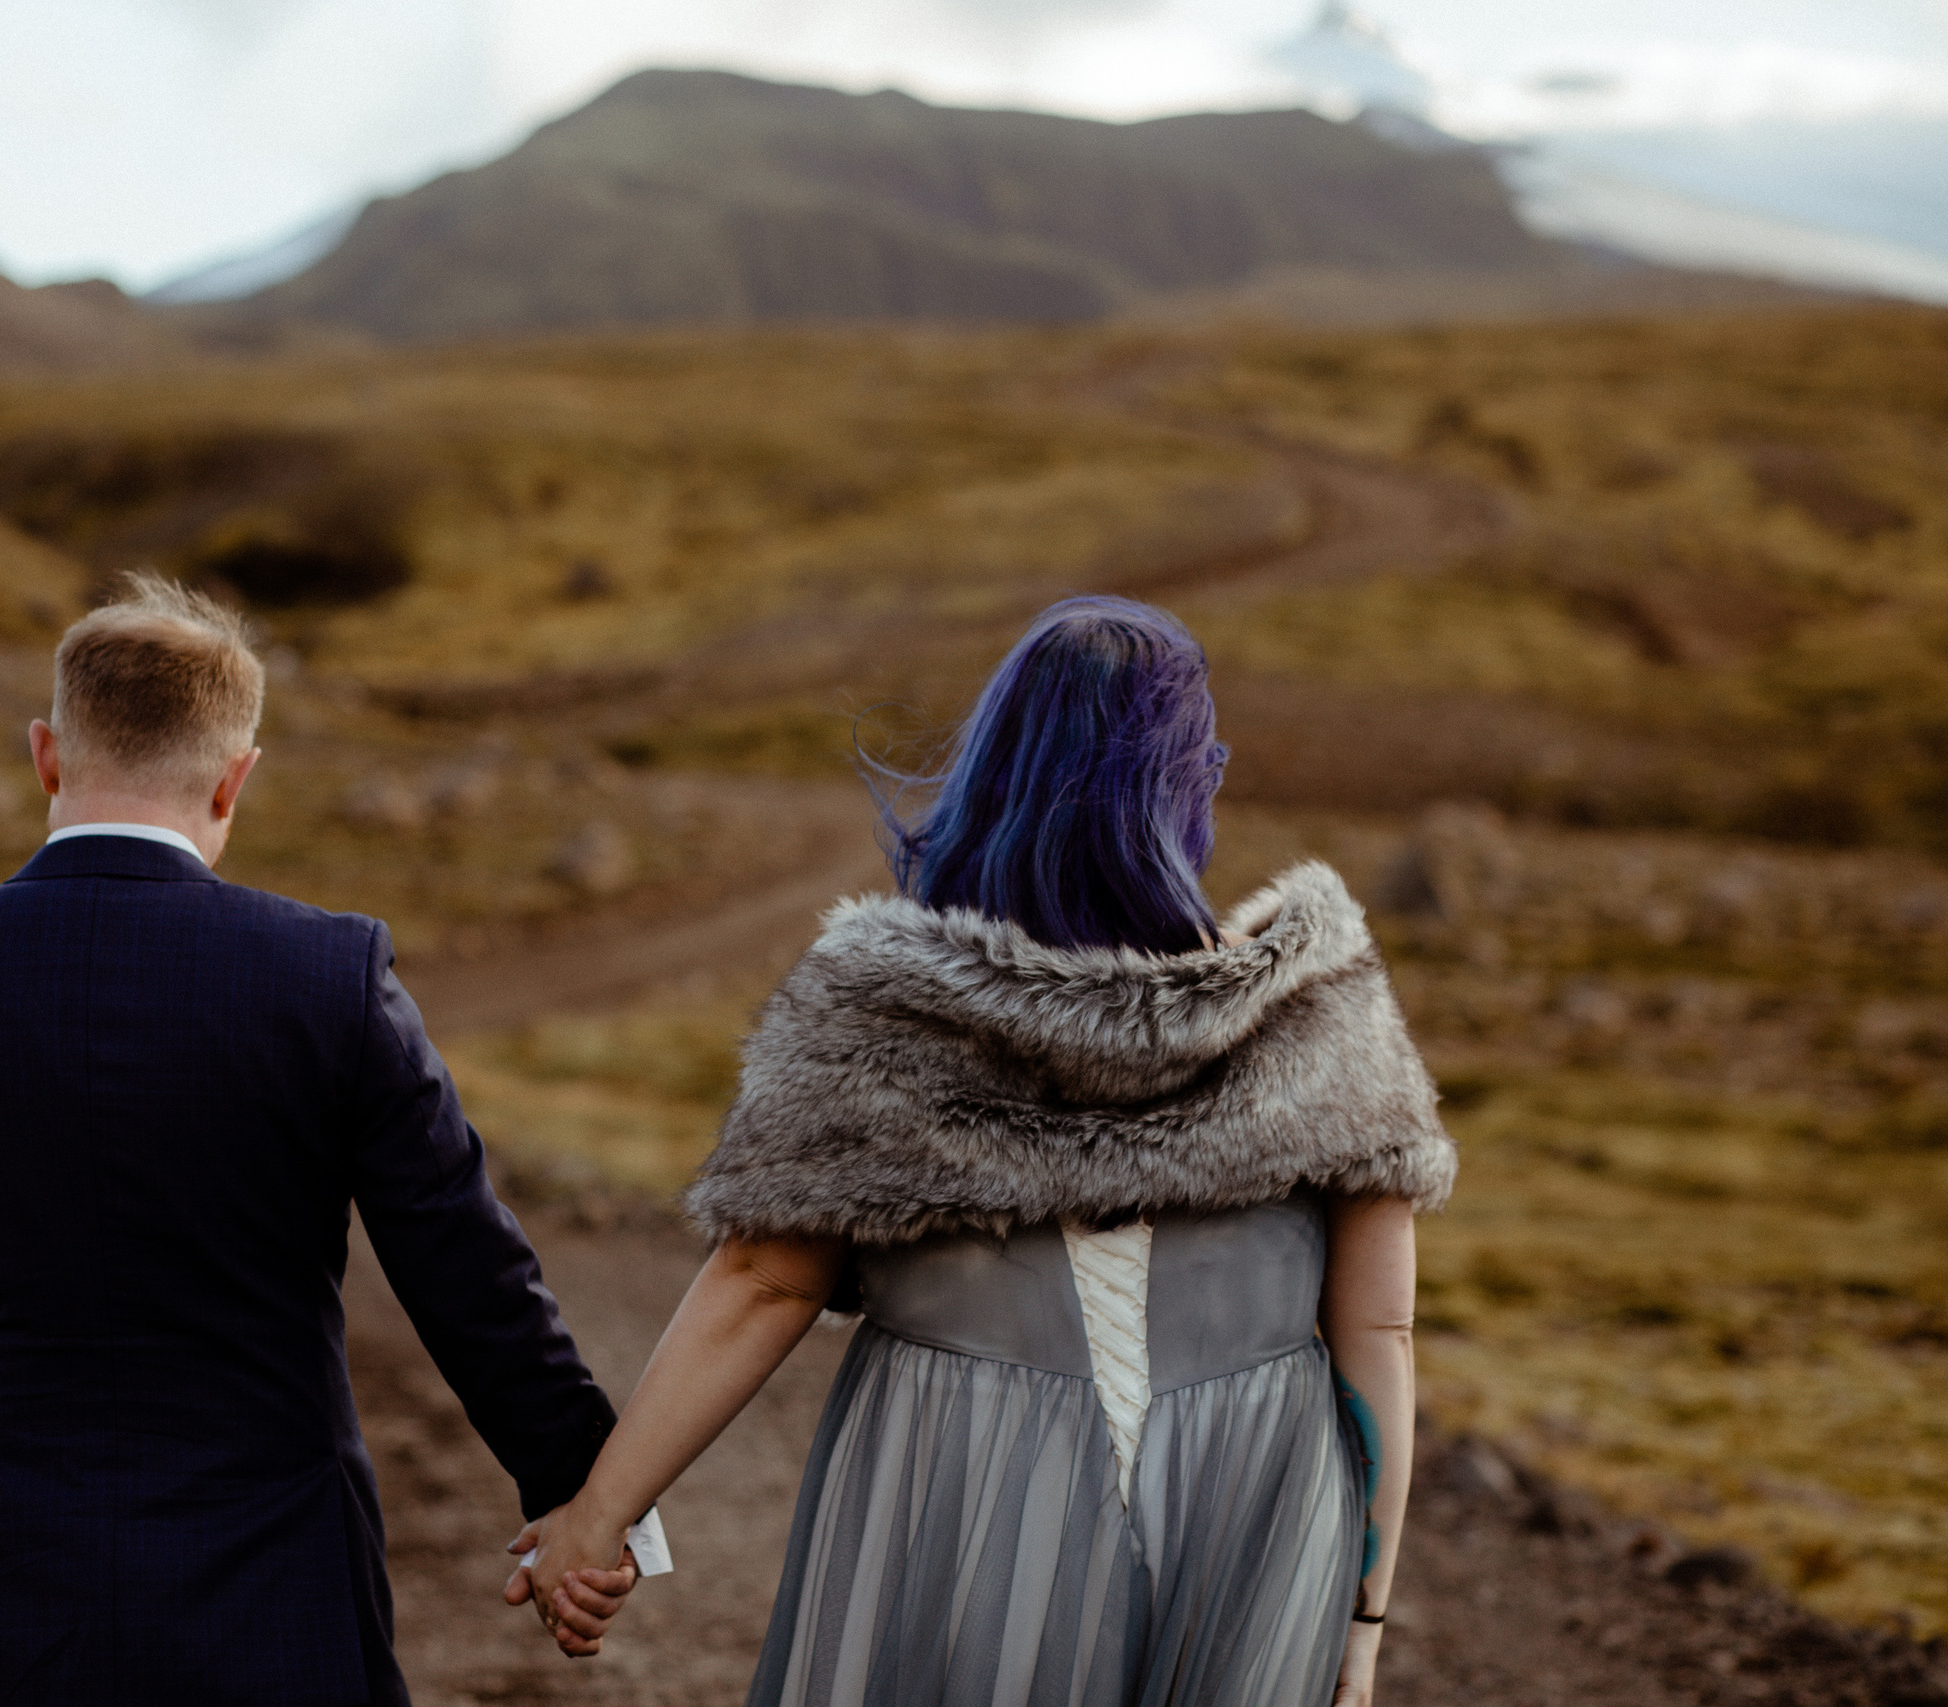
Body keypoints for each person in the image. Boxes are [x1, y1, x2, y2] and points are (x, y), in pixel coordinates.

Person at [519, 595, 1457, 1706]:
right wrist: (1360, 1621)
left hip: (955, 1490)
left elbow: (763, 1279)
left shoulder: (878, 1014)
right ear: (1185, 781)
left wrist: (595, 1518)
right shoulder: (1318, 1012)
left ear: (992, 773)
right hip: (1254, 1505)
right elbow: (1378, 1331)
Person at [0, 573, 633, 1705]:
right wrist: (583, 1498)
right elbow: (468, 1270)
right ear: (235, 777)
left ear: (46, 756)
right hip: (274, 1596)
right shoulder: (331, 979)